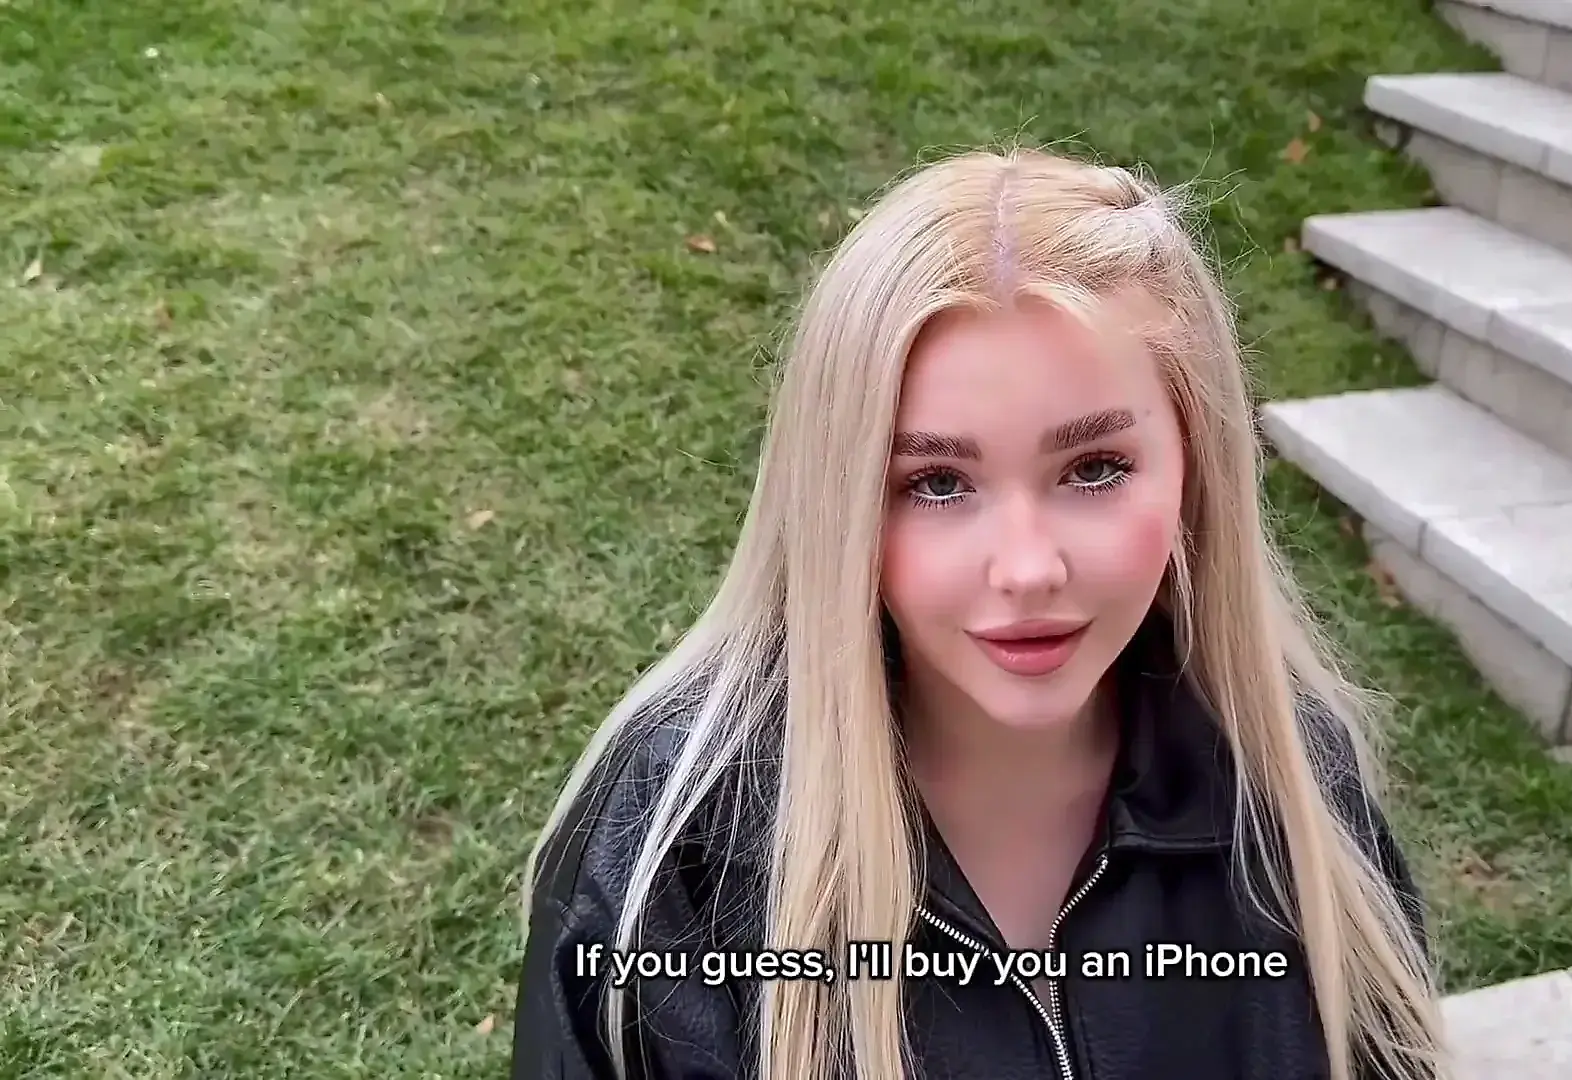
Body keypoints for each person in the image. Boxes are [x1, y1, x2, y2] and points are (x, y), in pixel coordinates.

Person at [511, 147, 1448, 1080]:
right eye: (936, 482)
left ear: (1196, 468)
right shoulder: (673, 844)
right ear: (838, 501)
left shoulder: (1293, 793)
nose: (1028, 569)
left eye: (1095, 469)